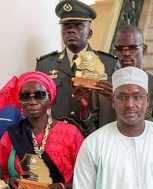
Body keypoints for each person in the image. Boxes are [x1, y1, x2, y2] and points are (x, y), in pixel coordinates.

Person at [35, 0, 119, 135]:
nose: (71, 30)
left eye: (78, 25)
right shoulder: (45, 64)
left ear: (90, 33)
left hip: (93, 137)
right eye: (66, 26)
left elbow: (115, 107)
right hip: (56, 139)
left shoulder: (108, 64)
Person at [88, 24, 153, 130]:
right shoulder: (104, 87)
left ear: (144, 49)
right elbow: (93, 130)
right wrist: (83, 108)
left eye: (132, 48)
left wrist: (120, 101)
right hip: (108, 145)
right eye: (120, 49)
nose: (126, 53)